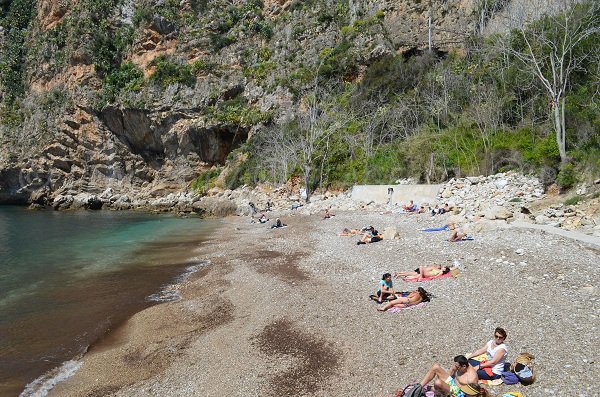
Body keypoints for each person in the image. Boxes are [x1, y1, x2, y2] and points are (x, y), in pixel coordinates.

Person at [419, 355, 487, 397]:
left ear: (464, 366)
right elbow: (450, 371)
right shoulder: (460, 365)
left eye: (457, 367)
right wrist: (445, 381)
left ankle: (433, 389)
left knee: (438, 383)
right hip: (453, 384)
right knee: (436, 367)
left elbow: (472, 393)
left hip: (460, 393)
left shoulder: (472, 377)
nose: (455, 367)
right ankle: (419, 386)